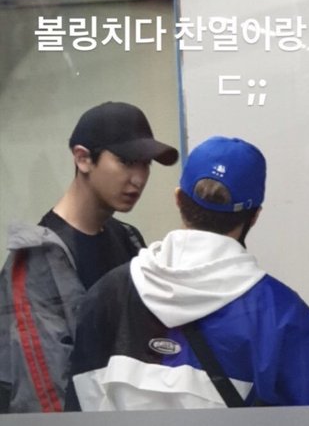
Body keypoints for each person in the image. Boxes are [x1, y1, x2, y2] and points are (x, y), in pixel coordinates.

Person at [66, 136, 309, 411]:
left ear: (178, 199)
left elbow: (80, 407)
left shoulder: (106, 295)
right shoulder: (284, 316)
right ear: (255, 215)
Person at [0, 101, 178, 413]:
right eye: (126, 161)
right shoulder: (37, 260)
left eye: (146, 164)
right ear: (83, 158)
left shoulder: (129, 239)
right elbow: (43, 395)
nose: (138, 178)